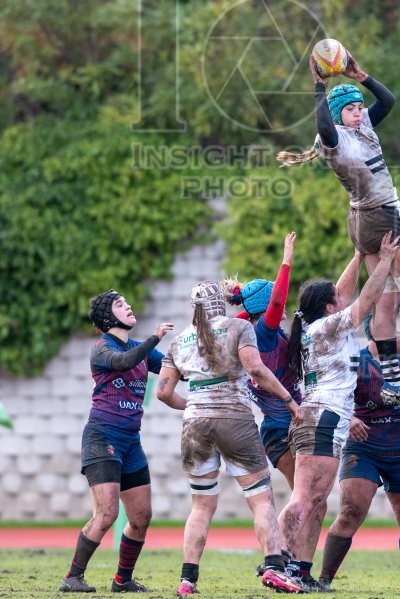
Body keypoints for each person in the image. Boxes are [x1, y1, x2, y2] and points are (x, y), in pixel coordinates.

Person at [276, 47, 400, 405]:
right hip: (383, 215)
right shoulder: (334, 137)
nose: (358, 113)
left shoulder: (360, 124)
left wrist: (360, 78)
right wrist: (318, 87)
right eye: (350, 108)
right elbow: (325, 126)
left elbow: (388, 101)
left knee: (386, 299)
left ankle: (392, 382)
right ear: (335, 114)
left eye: (359, 107)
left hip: (363, 221)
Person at [156, 280, 304, 596]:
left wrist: (195, 405)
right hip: (235, 418)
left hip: (194, 425)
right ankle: (275, 568)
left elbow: (164, 392)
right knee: (261, 497)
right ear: (219, 304)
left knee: (201, 505)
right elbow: (258, 370)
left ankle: (187, 580)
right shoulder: (238, 329)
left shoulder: (178, 340)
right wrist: (290, 401)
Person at [279, 233, 400, 591]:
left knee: (317, 501)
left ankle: (300, 569)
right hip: (324, 417)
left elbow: (343, 295)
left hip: (318, 416)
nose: (340, 300)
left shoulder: (316, 324)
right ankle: (277, 560)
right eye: (335, 300)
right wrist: (386, 261)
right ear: (330, 308)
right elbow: (364, 302)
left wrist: (360, 254)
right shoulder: (329, 327)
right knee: (305, 497)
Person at [59, 290, 181, 593]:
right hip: (102, 438)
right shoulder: (102, 348)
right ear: (107, 317)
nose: (128, 306)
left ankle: (122, 580)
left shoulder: (140, 348)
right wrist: (154, 339)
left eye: (126, 302)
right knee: (107, 514)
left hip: (130, 442)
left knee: (141, 516)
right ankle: (72, 577)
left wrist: (198, 353)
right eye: (119, 304)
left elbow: (173, 366)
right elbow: (125, 362)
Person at [316, 321, 400, 593]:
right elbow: (330, 398)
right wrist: (352, 418)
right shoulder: (354, 362)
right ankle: (324, 580)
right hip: (363, 448)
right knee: (350, 512)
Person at [222, 232, 302, 487]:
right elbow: (277, 299)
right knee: (303, 495)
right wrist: (286, 260)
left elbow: (244, 316)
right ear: (267, 309)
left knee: (307, 496)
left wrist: (252, 303)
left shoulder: (246, 329)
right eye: (276, 305)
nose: (283, 305)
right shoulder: (263, 334)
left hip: (283, 424)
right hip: (282, 427)